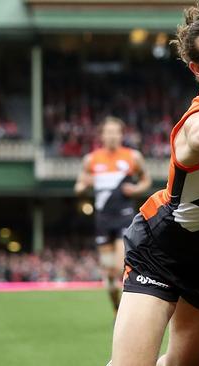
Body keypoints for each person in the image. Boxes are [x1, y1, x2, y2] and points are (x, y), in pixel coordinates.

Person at [74, 116, 151, 313]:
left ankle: (124, 303)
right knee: (109, 276)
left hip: (124, 217)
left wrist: (135, 190)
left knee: (118, 267)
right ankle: (117, 306)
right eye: (108, 132)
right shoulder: (91, 159)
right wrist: (85, 185)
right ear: (101, 135)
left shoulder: (132, 157)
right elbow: (79, 187)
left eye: (115, 132)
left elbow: (145, 180)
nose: (112, 136)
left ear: (121, 134)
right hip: (102, 220)